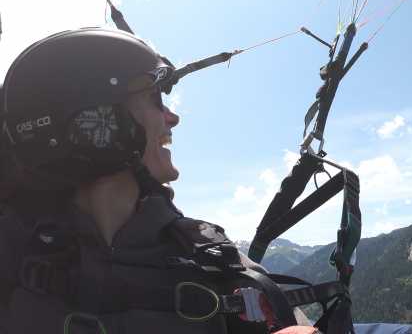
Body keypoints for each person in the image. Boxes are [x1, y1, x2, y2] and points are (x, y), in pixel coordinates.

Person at [0, 28, 321, 333]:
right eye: (154, 99)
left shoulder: (220, 260)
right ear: (96, 122)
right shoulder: (11, 253)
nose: (173, 118)